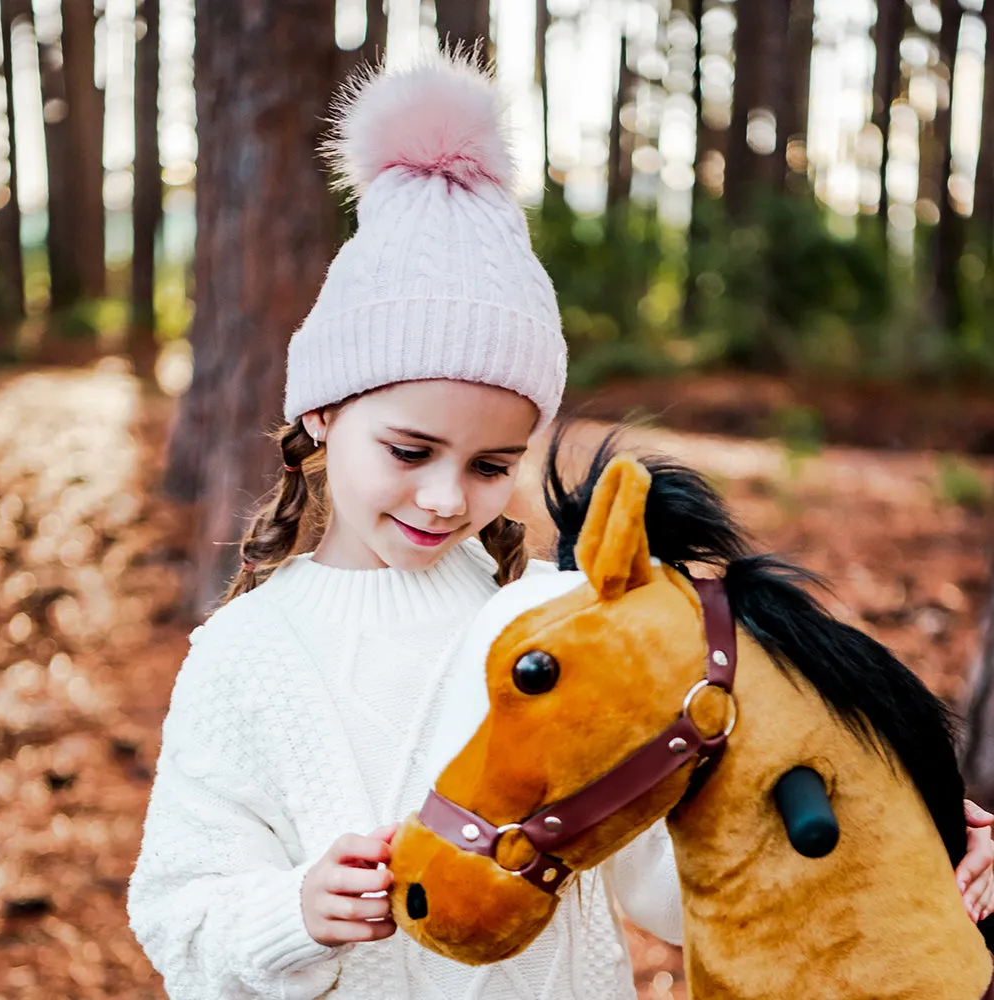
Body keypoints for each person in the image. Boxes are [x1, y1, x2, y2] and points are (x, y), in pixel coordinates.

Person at [127, 53, 994, 1000]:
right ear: (323, 416)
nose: (447, 499)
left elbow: (669, 878)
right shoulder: (244, 655)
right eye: (411, 451)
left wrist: (896, 831)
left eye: (492, 466)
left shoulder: (555, 626)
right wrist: (292, 912)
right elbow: (178, 913)